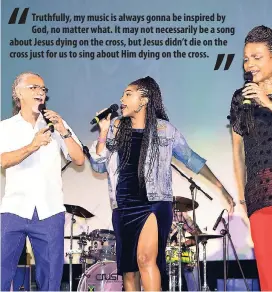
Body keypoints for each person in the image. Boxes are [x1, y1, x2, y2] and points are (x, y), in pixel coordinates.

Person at [89, 76, 235, 291]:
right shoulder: (116, 127)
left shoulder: (164, 129)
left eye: (128, 94)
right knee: (130, 270)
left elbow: (190, 157)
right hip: (123, 205)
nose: (122, 99)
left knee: (145, 259)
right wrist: (103, 131)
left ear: (145, 99)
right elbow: (99, 165)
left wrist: (220, 185)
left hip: (153, 203)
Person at [0, 72, 85, 291]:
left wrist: (63, 131)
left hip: (50, 211)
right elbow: (3, 160)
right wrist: (33, 145)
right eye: (34, 87)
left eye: (43, 89)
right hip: (14, 209)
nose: (41, 92)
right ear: (19, 93)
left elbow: (79, 159)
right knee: (1, 272)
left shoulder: (56, 124)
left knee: (50, 281)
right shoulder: (5, 127)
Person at [229, 25, 272, 291]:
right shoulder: (240, 99)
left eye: (257, 56)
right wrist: (242, 198)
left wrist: (269, 102)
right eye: (246, 58)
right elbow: (238, 153)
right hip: (262, 196)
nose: (249, 64)